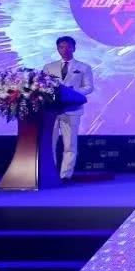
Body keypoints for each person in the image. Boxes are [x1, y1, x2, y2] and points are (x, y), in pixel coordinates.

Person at [43, 36, 94, 184]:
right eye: (62, 47)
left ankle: (65, 175)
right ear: (57, 49)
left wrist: (73, 92)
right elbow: (43, 85)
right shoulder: (49, 67)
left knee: (70, 144)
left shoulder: (84, 67)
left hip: (72, 109)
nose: (65, 50)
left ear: (74, 48)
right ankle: (50, 173)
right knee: (49, 143)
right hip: (51, 111)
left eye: (68, 47)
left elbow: (89, 87)